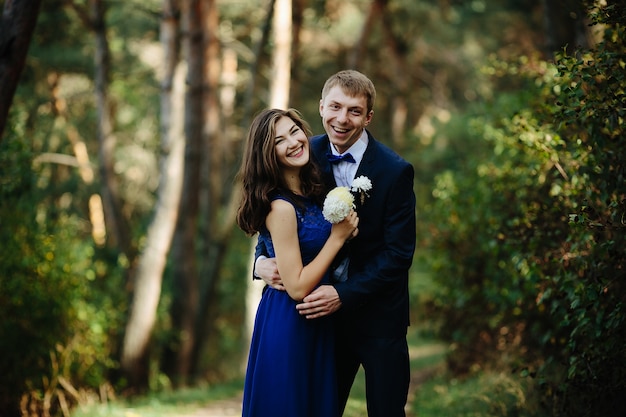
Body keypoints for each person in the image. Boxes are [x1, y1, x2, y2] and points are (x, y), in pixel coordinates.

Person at [255, 70, 416, 417]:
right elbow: (274, 215)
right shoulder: (302, 153)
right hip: (319, 325)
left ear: (368, 117)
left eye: (354, 111)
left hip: (379, 320)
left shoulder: (394, 171)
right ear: (321, 107)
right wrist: (259, 263)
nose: (342, 119)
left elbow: (399, 254)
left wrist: (343, 294)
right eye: (335, 107)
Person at [236, 108, 360, 417]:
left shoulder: (311, 191)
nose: (293, 142)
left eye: (295, 131)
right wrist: (338, 237)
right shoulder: (280, 207)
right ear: (268, 154)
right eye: (280, 140)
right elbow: (297, 287)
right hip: (291, 321)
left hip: (318, 323)